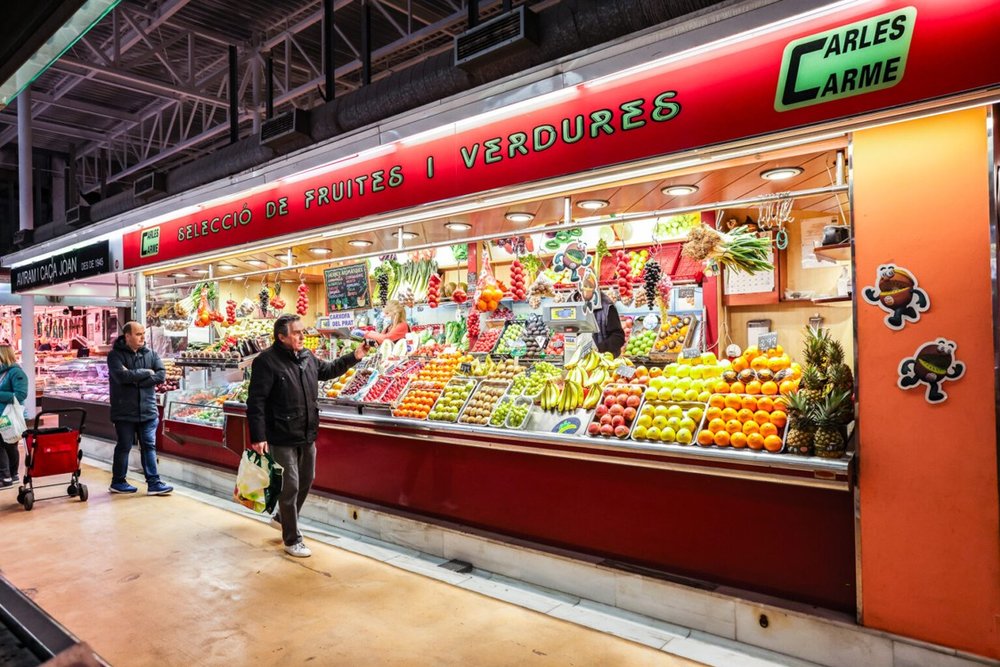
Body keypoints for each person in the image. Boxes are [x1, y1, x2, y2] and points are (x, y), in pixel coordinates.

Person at [247, 314, 368, 558]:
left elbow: (328, 370)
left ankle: (282, 518)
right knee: (289, 486)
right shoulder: (266, 362)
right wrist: (258, 436)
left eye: (302, 331)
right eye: (296, 333)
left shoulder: (307, 357)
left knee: (307, 479)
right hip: (281, 434)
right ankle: (292, 539)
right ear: (281, 337)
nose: (302, 336)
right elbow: (256, 401)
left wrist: (355, 356)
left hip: (307, 431)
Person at [107, 322, 172, 496]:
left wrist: (135, 379)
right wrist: (147, 372)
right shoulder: (115, 356)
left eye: (143, 333)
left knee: (149, 446)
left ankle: (154, 483)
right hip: (124, 411)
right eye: (138, 334)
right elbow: (121, 376)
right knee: (124, 446)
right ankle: (118, 482)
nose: (143, 337)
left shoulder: (151, 354)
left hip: (148, 410)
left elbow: (161, 375)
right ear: (127, 336)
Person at [0, 344, 28, 489]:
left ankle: (6, 477)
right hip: (2, 414)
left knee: (8, 444)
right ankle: (12, 475)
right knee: (8, 444)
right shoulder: (3, 373)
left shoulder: (16, 372)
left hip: (9, 415)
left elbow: (21, 395)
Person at [593, 289, 626, 357]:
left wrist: (599, 348)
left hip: (606, 358)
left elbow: (618, 337)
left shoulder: (608, 307)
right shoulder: (576, 301)